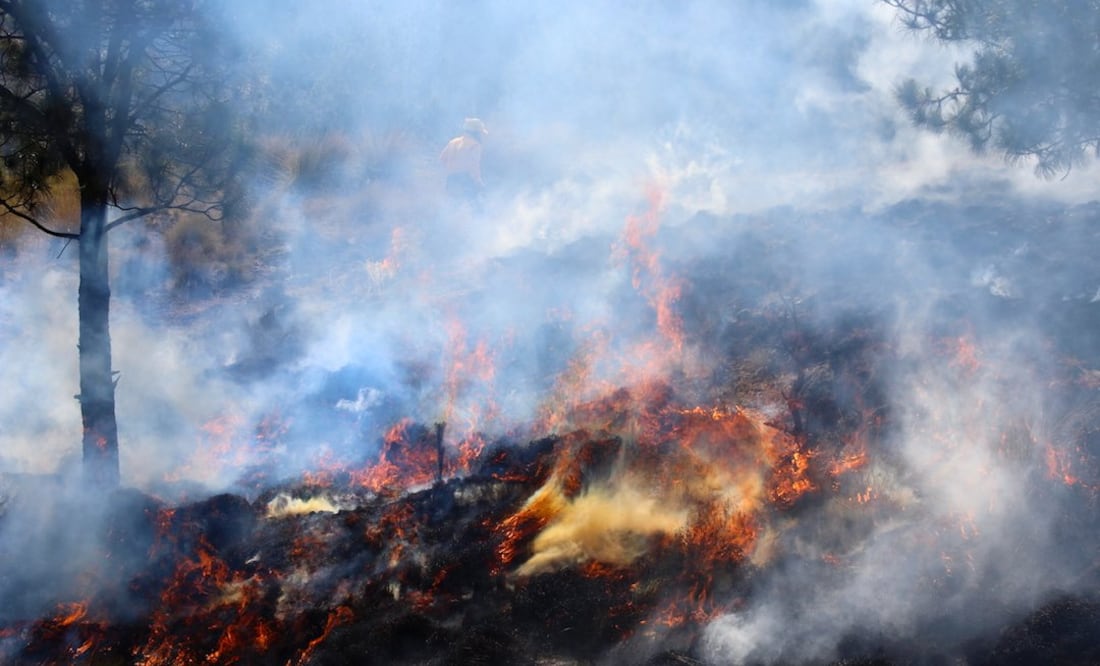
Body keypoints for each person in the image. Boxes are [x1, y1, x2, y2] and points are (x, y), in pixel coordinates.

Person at [440, 117, 488, 201]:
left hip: (451, 179)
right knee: (476, 208)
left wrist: (451, 169)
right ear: (475, 133)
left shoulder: (453, 142)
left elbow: (442, 158)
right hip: (466, 180)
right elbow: (474, 166)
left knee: (452, 206)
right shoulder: (475, 145)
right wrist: (479, 183)